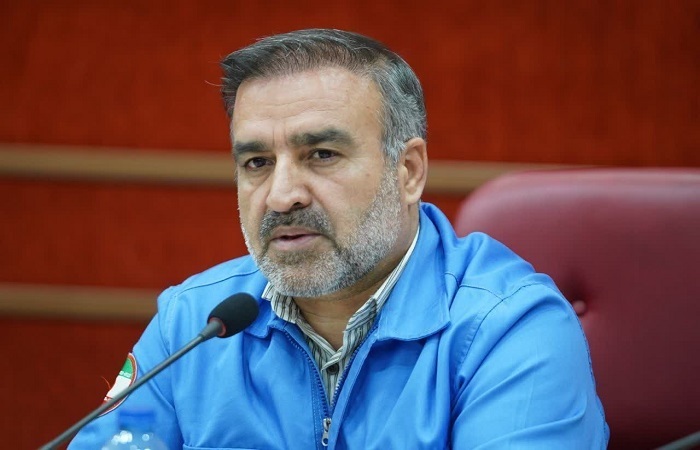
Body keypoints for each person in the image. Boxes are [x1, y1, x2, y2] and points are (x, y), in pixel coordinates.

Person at [69, 29, 609, 449]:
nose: (281, 195)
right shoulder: (192, 323)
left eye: (322, 155)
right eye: (257, 162)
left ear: (408, 171)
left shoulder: (509, 330)